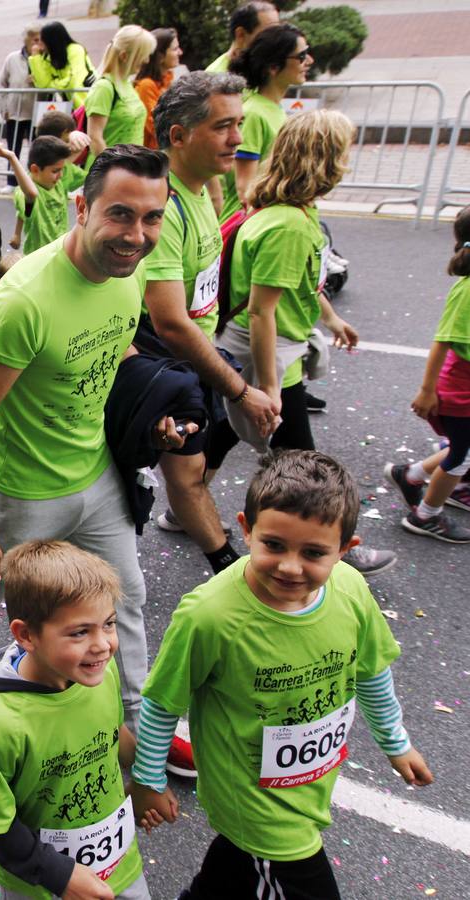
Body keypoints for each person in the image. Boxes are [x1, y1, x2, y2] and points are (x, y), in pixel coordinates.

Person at [0, 146, 184, 715]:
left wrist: (151, 411)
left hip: (99, 473)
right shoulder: (24, 301)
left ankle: (140, 725)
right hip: (28, 489)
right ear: (82, 207)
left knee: (126, 598)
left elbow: (117, 347)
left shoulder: (126, 273)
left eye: (152, 217)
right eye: (121, 214)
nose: (136, 234)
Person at [130, 451, 433, 900]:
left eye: (313, 553)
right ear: (247, 529)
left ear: (345, 550)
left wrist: (396, 741)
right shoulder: (210, 616)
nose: (291, 566)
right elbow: (162, 703)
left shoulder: (350, 590)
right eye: (274, 545)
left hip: (309, 787)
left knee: (234, 875)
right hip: (255, 803)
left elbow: (369, 670)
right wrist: (149, 781)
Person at [208, 110, 395, 576]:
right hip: (266, 353)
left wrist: (330, 318)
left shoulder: (291, 212)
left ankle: (185, 507)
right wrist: (270, 386)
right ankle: (336, 551)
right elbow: (261, 310)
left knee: (225, 432)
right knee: (301, 466)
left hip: (269, 347)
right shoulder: (288, 226)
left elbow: (301, 286)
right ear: (326, 160)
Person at [137, 72, 280, 573]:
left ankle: (226, 564)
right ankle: (230, 569)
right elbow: (171, 322)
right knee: (178, 474)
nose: (239, 138)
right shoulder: (163, 207)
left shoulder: (202, 189)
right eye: (223, 127)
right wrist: (240, 390)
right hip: (158, 364)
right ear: (178, 136)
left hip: (186, 360)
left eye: (239, 124)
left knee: (189, 473)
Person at [0, 541, 154, 900]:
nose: (103, 645)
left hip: (119, 863)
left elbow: (115, 735)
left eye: (108, 624)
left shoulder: (101, 676)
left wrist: (148, 781)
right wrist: (59, 875)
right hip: (39, 885)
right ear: (26, 635)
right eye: (80, 632)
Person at [383, 207, 470, 542]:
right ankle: (425, 515)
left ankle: (413, 475)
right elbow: (442, 342)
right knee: (462, 457)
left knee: (463, 448)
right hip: (460, 394)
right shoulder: (466, 291)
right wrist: (427, 390)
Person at [221, 23, 311, 219]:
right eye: (301, 56)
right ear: (273, 67)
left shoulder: (272, 109)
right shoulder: (253, 114)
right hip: (248, 224)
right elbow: (245, 189)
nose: (309, 61)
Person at [0, 135, 84, 255]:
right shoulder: (24, 192)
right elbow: (30, 196)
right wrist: (12, 157)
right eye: (55, 171)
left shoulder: (57, 184)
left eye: (61, 169)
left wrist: (17, 234)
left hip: (60, 251)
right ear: (35, 170)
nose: (61, 175)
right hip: (39, 256)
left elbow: (23, 212)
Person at [84, 26, 155, 160]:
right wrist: (115, 171)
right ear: (124, 56)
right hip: (109, 175)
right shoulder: (104, 87)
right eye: (142, 55)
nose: (146, 60)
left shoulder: (126, 84)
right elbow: (95, 138)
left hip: (130, 170)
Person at [0, 25, 41, 192]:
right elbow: (1, 84)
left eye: (40, 39)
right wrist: (4, 108)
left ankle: (35, 181)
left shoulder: (43, 59)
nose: (38, 43)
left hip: (36, 114)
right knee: (13, 148)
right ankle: (12, 182)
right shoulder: (13, 58)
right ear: (27, 40)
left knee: (37, 150)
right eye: (35, 39)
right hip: (15, 112)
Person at [29, 22, 94, 110]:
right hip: (71, 108)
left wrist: (53, 84)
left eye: (42, 40)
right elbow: (43, 84)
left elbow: (73, 82)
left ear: (52, 41)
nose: (39, 44)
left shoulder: (75, 50)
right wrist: (36, 57)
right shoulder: (49, 57)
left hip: (90, 103)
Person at [207, 1, 279, 74]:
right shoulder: (216, 77)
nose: (278, 39)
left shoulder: (271, 67)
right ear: (240, 35)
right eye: (269, 33)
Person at [135, 28, 178, 150]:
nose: (180, 52)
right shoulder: (146, 86)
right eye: (174, 49)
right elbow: (155, 127)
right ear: (160, 56)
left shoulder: (168, 80)